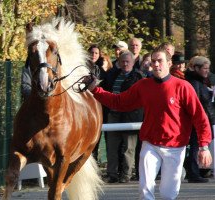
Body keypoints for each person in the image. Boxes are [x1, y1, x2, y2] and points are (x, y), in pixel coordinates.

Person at [84, 46, 212, 199]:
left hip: (175, 148)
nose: (156, 64)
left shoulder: (183, 87)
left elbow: (200, 117)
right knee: (145, 191)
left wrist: (204, 146)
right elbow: (119, 102)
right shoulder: (144, 85)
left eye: (160, 61)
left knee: (168, 194)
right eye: (153, 61)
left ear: (169, 63)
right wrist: (95, 89)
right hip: (150, 144)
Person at [103, 51, 143, 183]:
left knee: (128, 148)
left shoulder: (139, 77)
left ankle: (126, 175)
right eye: (123, 61)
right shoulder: (112, 75)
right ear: (118, 63)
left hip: (131, 116)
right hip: (113, 114)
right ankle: (112, 174)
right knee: (112, 146)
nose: (125, 64)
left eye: (128, 61)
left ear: (133, 62)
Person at [184, 56, 215, 183]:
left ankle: (198, 170)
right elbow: (195, 103)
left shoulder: (201, 81)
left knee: (197, 146)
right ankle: (193, 172)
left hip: (205, 118)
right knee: (195, 147)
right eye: (205, 68)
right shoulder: (194, 83)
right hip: (197, 120)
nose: (207, 71)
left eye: (208, 69)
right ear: (196, 68)